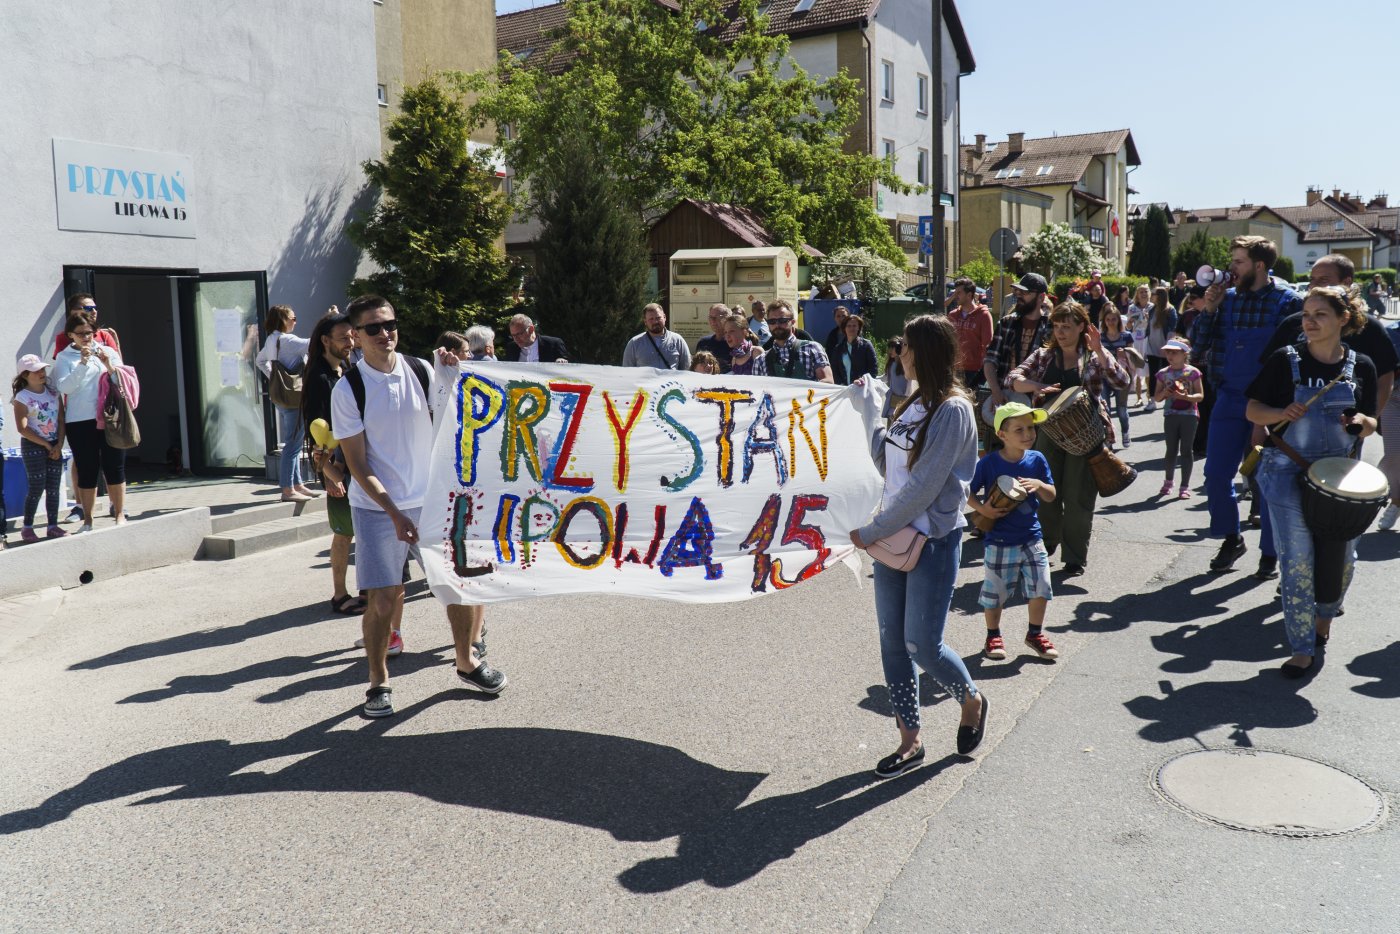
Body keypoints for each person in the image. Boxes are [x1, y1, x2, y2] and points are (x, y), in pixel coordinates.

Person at [331, 295, 503, 717]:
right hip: (377, 508)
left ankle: (466, 660)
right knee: (383, 599)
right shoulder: (348, 388)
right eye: (373, 327)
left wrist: (453, 369)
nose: (385, 332)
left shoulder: (419, 368)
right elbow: (356, 463)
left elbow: (456, 412)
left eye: (390, 324)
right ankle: (378, 681)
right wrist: (393, 512)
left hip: (433, 502)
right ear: (355, 335)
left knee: (457, 586)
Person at [849, 314, 988, 774]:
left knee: (923, 646)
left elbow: (924, 487)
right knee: (892, 645)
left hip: (930, 541)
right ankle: (910, 740)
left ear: (924, 352)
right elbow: (884, 461)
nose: (897, 352)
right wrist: (869, 407)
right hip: (894, 537)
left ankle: (970, 699)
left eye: (903, 345)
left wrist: (870, 532)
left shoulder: (952, 410)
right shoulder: (910, 402)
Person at [1245, 285, 1378, 676]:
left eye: (1321, 314)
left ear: (1344, 319)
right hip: (1286, 469)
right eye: (1306, 313)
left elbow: (1370, 420)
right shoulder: (1284, 360)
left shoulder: (1362, 365)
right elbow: (1253, 410)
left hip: (1341, 477)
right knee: (1297, 559)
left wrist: (1359, 423)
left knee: (1343, 561)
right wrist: (1279, 411)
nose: (1310, 321)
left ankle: (1324, 619)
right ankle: (1301, 647)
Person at [1194, 236, 1303, 576]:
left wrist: (1276, 408)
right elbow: (1197, 347)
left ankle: (1270, 553)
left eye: (1238, 262)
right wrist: (1208, 311)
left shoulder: (1287, 302)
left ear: (1259, 265)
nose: (1231, 269)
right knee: (1215, 475)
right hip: (1228, 397)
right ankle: (1230, 537)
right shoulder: (1224, 300)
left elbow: (1295, 358)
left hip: (1271, 405)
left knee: (1267, 480)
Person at [1006, 302, 1131, 577]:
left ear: (1081, 328)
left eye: (1067, 326)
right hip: (1048, 433)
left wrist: (1100, 348)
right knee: (1046, 491)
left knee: (1078, 497)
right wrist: (1036, 386)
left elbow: (1123, 382)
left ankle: (1074, 558)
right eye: (1056, 326)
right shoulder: (1043, 355)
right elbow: (1013, 379)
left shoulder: (1094, 356)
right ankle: (1047, 545)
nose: (1060, 332)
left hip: (1086, 436)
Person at [968, 402, 1059, 662]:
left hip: (1032, 536)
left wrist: (1040, 484)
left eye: (1031, 427)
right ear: (1002, 435)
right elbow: (966, 491)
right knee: (995, 592)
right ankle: (993, 635)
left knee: (1041, 586)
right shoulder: (989, 464)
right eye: (1019, 429)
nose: (1028, 434)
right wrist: (982, 510)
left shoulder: (1037, 459)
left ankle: (1035, 634)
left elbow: (1051, 496)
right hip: (999, 539)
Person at [1261, 255, 1397, 417]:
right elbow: (1266, 384)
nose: (1314, 285)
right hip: (1287, 435)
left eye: (1323, 279)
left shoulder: (1370, 328)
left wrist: (1368, 419)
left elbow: (1385, 376)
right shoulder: (1293, 324)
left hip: (1344, 434)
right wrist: (1261, 424)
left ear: (1346, 282)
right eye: (1312, 279)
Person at [300, 313, 368, 618]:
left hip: (356, 462)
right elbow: (315, 429)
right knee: (344, 534)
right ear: (326, 341)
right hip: (337, 468)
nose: (350, 342)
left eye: (352, 336)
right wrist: (329, 473)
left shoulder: (347, 369)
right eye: (344, 338)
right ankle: (340, 595)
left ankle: (368, 589)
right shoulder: (318, 377)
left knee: (364, 531)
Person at [51, 314, 127, 533]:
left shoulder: (108, 351)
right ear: (70, 335)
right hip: (80, 420)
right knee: (87, 468)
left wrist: (108, 365)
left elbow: (122, 381)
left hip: (111, 417)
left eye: (90, 333)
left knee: (115, 465)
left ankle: (120, 514)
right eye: (81, 333)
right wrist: (83, 364)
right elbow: (64, 388)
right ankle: (88, 520)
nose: (86, 337)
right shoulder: (64, 358)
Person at [255, 305, 317, 503]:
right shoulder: (288, 340)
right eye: (293, 318)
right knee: (292, 445)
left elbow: (259, 360)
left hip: (281, 397)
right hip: (294, 398)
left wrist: (274, 376)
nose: (295, 321)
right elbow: (315, 343)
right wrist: (330, 319)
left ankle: (297, 484)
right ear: (283, 319)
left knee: (294, 444)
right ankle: (287, 489)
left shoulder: (272, 339)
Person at [11, 355, 68, 543]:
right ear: (25, 375)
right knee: (36, 486)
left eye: (42, 369)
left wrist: (59, 444)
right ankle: (27, 527)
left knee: (53, 487)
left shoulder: (53, 393)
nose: (42, 373)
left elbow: (60, 419)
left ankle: (52, 526)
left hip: (54, 443)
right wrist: (45, 444)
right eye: (36, 371)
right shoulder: (22, 397)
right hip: (34, 444)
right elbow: (22, 428)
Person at [982, 273, 1053, 409]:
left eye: (1025, 292)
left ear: (1041, 297)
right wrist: (996, 390)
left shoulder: (1052, 326)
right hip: (1005, 398)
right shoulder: (1006, 322)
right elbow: (990, 360)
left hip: (1037, 402)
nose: (1019, 295)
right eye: (1018, 291)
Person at [1151, 339, 1204, 498]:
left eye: (1174, 352)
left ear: (1184, 354)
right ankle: (1168, 482)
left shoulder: (1193, 372)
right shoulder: (1163, 374)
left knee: (1186, 451)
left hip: (1189, 416)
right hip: (1171, 415)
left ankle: (1184, 486)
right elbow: (1157, 397)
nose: (1170, 355)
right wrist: (1165, 393)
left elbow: (1200, 396)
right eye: (1168, 352)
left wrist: (1186, 396)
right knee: (1171, 450)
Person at [751, 304, 832, 381]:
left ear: (793, 322)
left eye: (782, 320)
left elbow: (828, 381)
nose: (777, 325)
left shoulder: (812, 349)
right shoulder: (760, 361)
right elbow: (757, 392)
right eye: (772, 321)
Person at [1098, 306, 1137, 447]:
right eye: (1108, 319)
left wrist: (1125, 353)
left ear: (1118, 320)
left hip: (1121, 376)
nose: (1110, 322)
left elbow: (1134, 357)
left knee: (1121, 410)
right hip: (1104, 376)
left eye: (1113, 319)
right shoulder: (1100, 338)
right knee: (1105, 409)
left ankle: (1125, 432)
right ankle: (1109, 438)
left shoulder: (1126, 336)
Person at [948, 277, 994, 387]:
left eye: (959, 292)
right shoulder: (952, 315)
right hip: (954, 369)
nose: (955, 295)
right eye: (955, 292)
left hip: (974, 370)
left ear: (969, 295)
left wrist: (984, 370)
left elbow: (988, 344)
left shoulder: (983, 315)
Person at [1140, 287, 1179, 413]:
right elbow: (1149, 329)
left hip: (1165, 349)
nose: (1152, 295)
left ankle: (1169, 400)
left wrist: (1168, 347)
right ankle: (1152, 401)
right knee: (1153, 375)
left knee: (1168, 375)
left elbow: (1172, 330)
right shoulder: (1152, 309)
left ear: (1160, 296)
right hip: (1152, 347)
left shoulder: (1170, 310)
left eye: (1154, 294)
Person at [1378, 317, 1400, 531]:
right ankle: (1396, 500)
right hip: (1393, 400)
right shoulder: (1390, 332)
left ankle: (1395, 501)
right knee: (1394, 454)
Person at [622, 303, 691, 370]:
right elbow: (628, 372)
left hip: (671, 381)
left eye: (658, 318)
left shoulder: (678, 341)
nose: (655, 322)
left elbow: (687, 369)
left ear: (664, 317)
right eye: (651, 319)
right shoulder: (635, 343)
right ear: (645, 321)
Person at [51, 293, 121, 358]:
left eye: (95, 308)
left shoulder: (104, 335)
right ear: (74, 311)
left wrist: (117, 345)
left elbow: (118, 365)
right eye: (89, 308)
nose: (94, 312)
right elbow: (61, 363)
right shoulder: (63, 337)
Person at [829, 314, 879, 386]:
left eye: (854, 326)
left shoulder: (866, 345)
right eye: (849, 326)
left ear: (859, 328)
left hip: (862, 388)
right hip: (844, 389)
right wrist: (841, 384)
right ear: (844, 328)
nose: (851, 328)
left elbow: (873, 369)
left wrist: (863, 381)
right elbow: (834, 370)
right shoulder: (838, 348)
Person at [1125, 285, 1153, 404]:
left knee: (1147, 368)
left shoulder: (1152, 307)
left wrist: (1150, 319)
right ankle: (1139, 397)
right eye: (1141, 291)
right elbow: (1128, 327)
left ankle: (1149, 394)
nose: (1143, 294)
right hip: (1136, 339)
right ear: (1137, 294)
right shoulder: (1132, 308)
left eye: (1145, 291)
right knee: (1136, 366)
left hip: (1148, 338)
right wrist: (1130, 321)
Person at [504, 314, 569, 363]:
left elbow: (568, 367)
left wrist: (561, 361)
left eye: (519, 334)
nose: (516, 339)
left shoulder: (553, 344)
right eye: (513, 335)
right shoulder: (511, 348)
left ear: (531, 329)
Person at [696, 304, 734, 373]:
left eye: (717, 317)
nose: (713, 321)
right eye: (710, 317)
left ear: (727, 319)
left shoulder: (735, 343)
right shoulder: (703, 343)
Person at [881, 337, 911, 418]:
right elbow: (885, 378)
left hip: (903, 401)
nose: (890, 350)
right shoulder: (891, 364)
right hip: (892, 401)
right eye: (889, 347)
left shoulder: (906, 365)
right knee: (890, 428)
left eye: (893, 347)